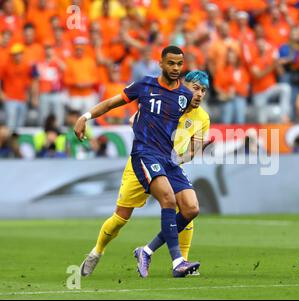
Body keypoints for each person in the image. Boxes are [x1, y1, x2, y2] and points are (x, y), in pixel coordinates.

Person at [76, 46, 200, 278]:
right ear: (161, 63)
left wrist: (196, 145)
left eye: (179, 64)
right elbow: (112, 103)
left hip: (167, 160)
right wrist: (85, 117)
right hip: (144, 156)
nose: (175, 68)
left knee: (191, 208)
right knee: (122, 217)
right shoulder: (144, 85)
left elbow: (188, 118)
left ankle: (148, 252)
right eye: (170, 63)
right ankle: (97, 251)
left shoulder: (185, 97)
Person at [133, 70, 213, 278]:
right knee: (124, 212)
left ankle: (146, 251)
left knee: (191, 208)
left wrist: (189, 154)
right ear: (184, 85)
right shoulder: (168, 104)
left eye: (203, 90)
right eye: (195, 88)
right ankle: (178, 261)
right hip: (149, 157)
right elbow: (137, 118)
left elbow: (191, 153)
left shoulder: (203, 118)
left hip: (171, 163)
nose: (199, 94)